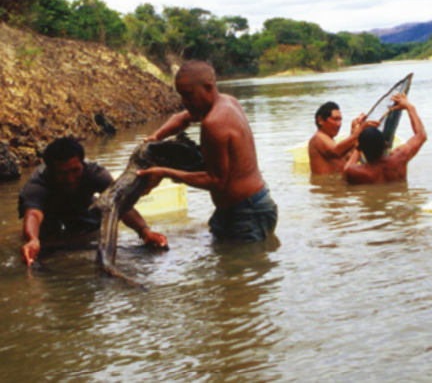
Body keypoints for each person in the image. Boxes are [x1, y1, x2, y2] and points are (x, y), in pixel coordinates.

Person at [137, 60, 278, 243]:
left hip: (247, 213)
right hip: (245, 207)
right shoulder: (228, 101)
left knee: (241, 268)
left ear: (208, 87)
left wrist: (164, 172)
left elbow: (216, 181)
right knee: (226, 264)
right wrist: (155, 137)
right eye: (181, 95)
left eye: (188, 95)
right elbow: (182, 118)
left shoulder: (214, 123)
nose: (184, 102)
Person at [20, 137, 167, 266]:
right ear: (51, 170)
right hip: (49, 209)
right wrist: (33, 239)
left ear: (82, 164)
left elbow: (120, 205)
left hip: (81, 206)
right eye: (62, 173)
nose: (70, 179)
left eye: (75, 171)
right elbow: (33, 214)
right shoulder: (36, 185)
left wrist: (144, 231)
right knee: (46, 245)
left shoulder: (96, 173)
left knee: (86, 235)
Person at [343, 93, 427, 185]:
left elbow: (346, 170)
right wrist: (410, 107)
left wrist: (356, 138)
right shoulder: (400, 158)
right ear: (385, 145)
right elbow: (421, 135)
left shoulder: (356, 172)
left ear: (360, 149)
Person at [308, 101, 377, 174]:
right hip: (328, 185)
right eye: (335, 119)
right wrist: (359, 131)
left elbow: (350, 157)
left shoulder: (331, 141)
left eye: (340, 120)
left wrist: (354, 131)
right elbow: (337, 152)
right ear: (320, 120)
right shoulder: (318, 137)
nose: (339, 124)